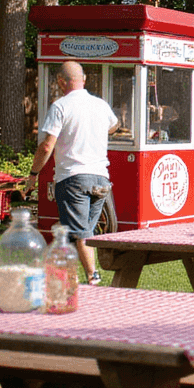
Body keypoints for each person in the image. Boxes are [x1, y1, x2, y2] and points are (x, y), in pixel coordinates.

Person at [25, 61, 118, 285]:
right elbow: (114, 126)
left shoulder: (60, 106)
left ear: (60, 82)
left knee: (80, 233)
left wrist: (33, 175)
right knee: (81, 232)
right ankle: (66, 275)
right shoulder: (100, 105)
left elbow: (47, 146)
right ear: (84, 79)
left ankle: (92, 277)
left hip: (73, 178)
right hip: (101, 179)